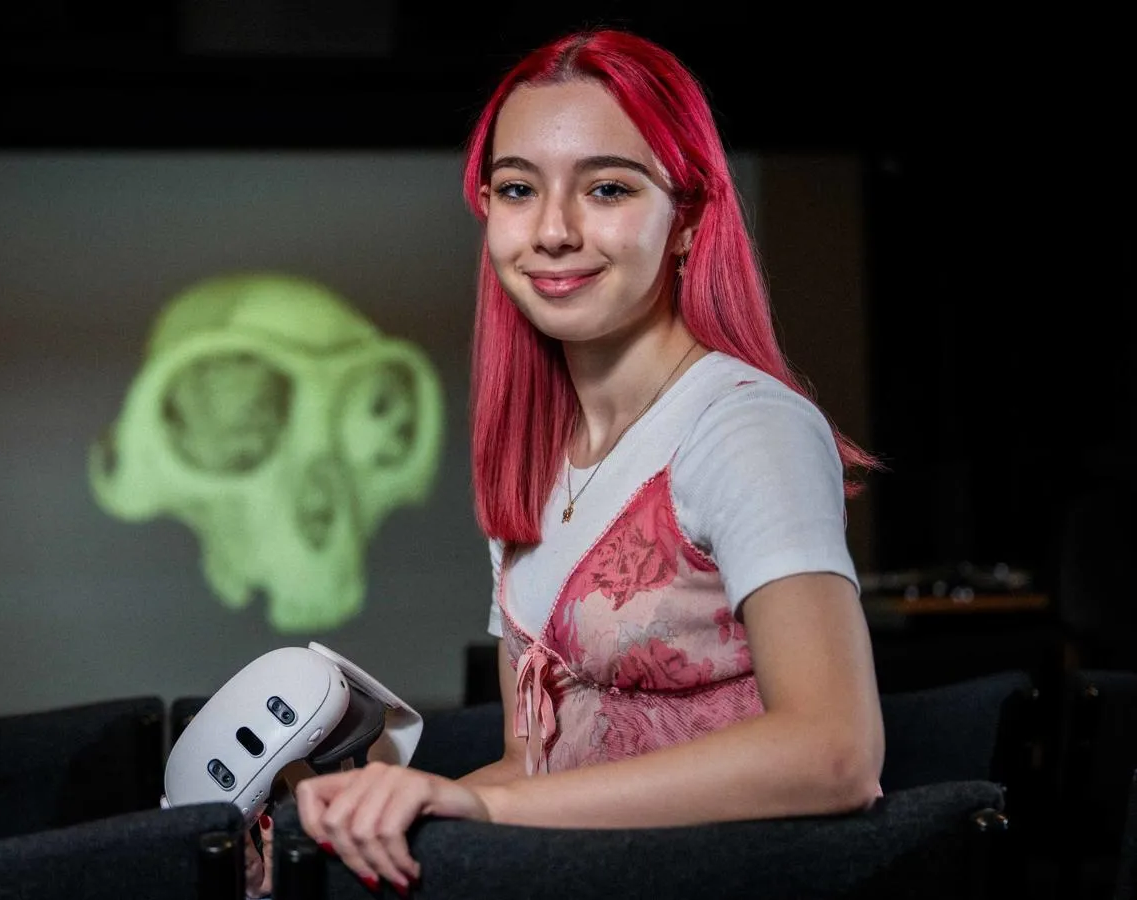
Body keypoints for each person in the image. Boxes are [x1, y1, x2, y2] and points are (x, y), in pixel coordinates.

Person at [249, 26, 886, 898]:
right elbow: (530, 764)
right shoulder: (538, 460)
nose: (552, 230)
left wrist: (482, 816)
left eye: (608, 189)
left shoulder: (744, 427)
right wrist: (357, 827)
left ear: (688, 222)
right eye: (518, 189)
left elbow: (835, 753)